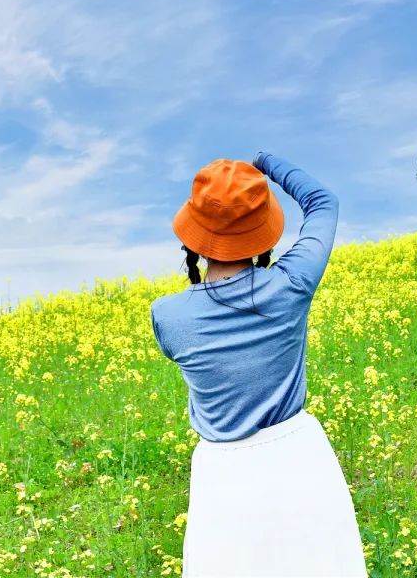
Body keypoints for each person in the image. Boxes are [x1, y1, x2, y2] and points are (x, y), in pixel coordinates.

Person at [150, 151, 366, 577]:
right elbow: (324, 202)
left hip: (223, 477)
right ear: (264, 234)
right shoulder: (291, 284)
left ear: (192, 239)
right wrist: (266, 163)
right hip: (302, 459)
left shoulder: (168, 315)